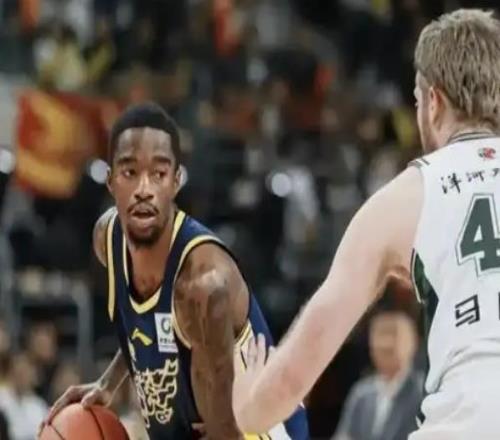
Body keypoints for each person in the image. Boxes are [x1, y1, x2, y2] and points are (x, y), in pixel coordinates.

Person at [232, 9, 500, 440]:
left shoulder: (402, 199)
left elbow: (290, 381)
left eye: (417, 102)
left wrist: (244, 409)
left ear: (433, 103)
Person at [44, 102, 309, 439]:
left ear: (176, 181)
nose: (143, 189)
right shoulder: (107, 240)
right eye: (130, 172)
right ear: (111, 181)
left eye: (158, 173)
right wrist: (108, 383)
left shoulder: (202, 285)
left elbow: (223, 430)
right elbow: (148, 330)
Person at [333, 309, 422, 440]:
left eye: (393, 333)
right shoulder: (361, 394)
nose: (385, 343)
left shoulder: (422, 393)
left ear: (413, 342)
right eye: (380, 334)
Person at [0, 352, 48, 440]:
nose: (22, 378)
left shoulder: (39, 405)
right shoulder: (2, 399)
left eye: (26, 373)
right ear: (10, 373)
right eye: (19, 373)